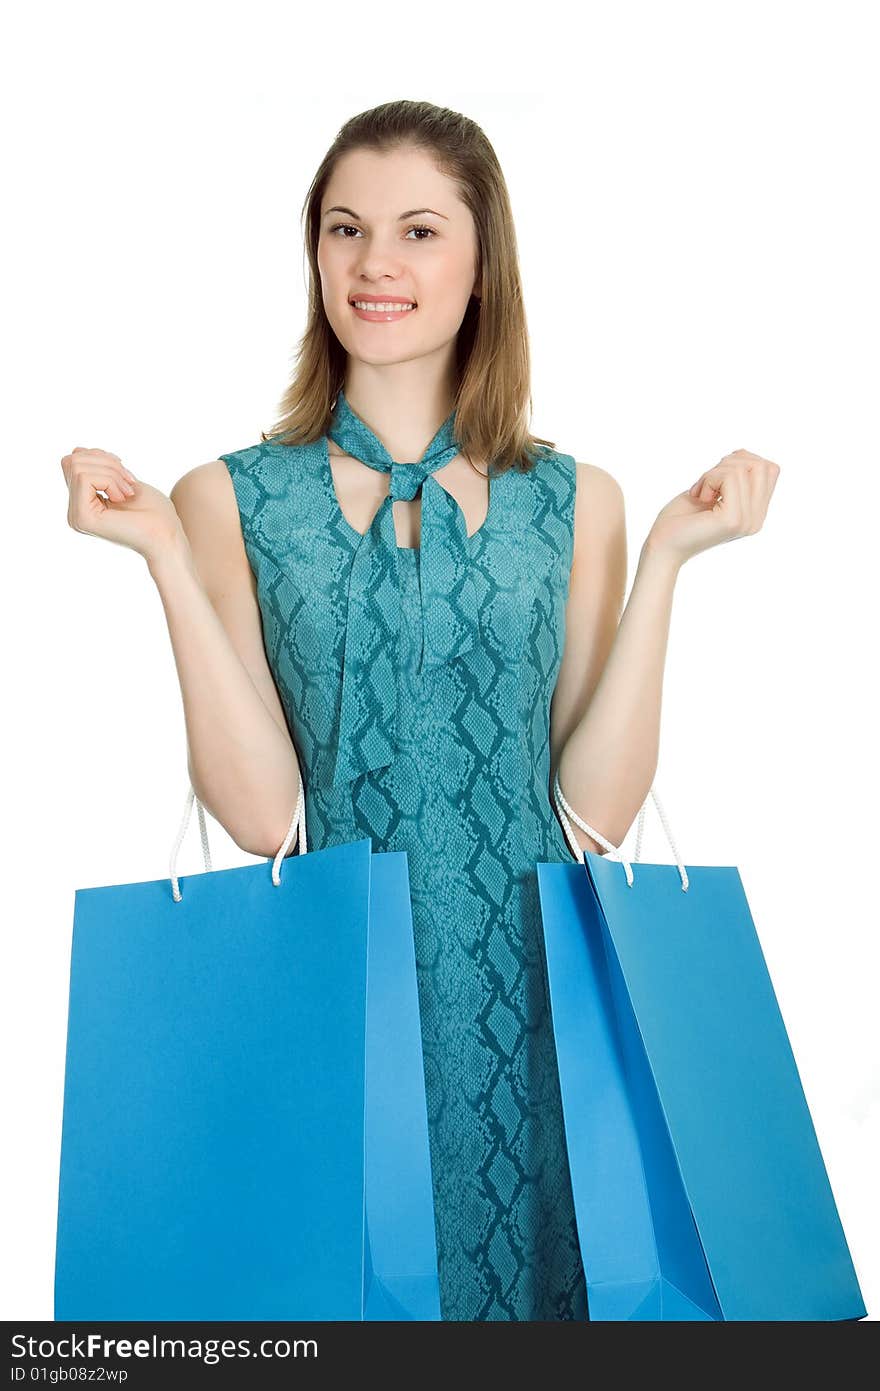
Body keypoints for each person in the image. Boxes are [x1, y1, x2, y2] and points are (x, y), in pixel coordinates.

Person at [60, 99, 780, 1321]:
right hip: (339, 1018)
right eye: (344, 230)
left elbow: (592, 816)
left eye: (416, 231)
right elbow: (259, 814)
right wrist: (164, 560)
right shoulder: (228, 497)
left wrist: (665, 558)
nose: (374, 264)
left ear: (482, 264)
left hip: (542, 1031)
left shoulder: (576, 499)